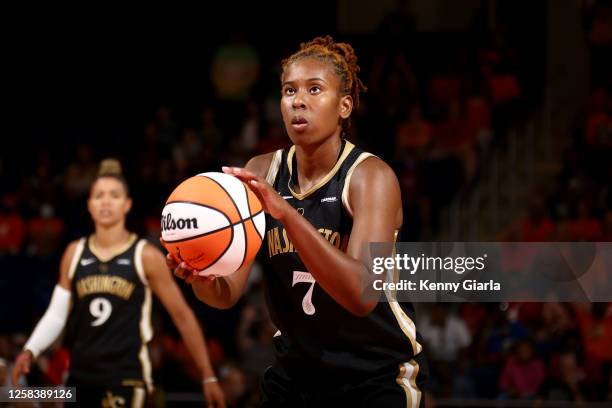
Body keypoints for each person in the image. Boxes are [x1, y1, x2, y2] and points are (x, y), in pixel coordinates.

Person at [169, 36, 428, 407]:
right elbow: (226, 294)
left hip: (373, 376)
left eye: (314, 89)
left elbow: (360, 295)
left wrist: (287, 215)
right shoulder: (262, 170)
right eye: (289, 90)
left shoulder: (370, 177)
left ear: (344, 106)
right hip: (296, 375)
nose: (298, 101)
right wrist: (201, 274)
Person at [12, 159, 226, 408]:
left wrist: (207, 374)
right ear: (89, 205)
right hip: (79, 381)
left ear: (127, 205)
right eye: (99, 195)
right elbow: (57, 315)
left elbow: (181, 315)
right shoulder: (74, 252)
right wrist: (30, 350)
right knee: (11, 395)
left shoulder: (145, 255)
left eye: (114, 195)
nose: (105, 201)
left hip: (127, 380)